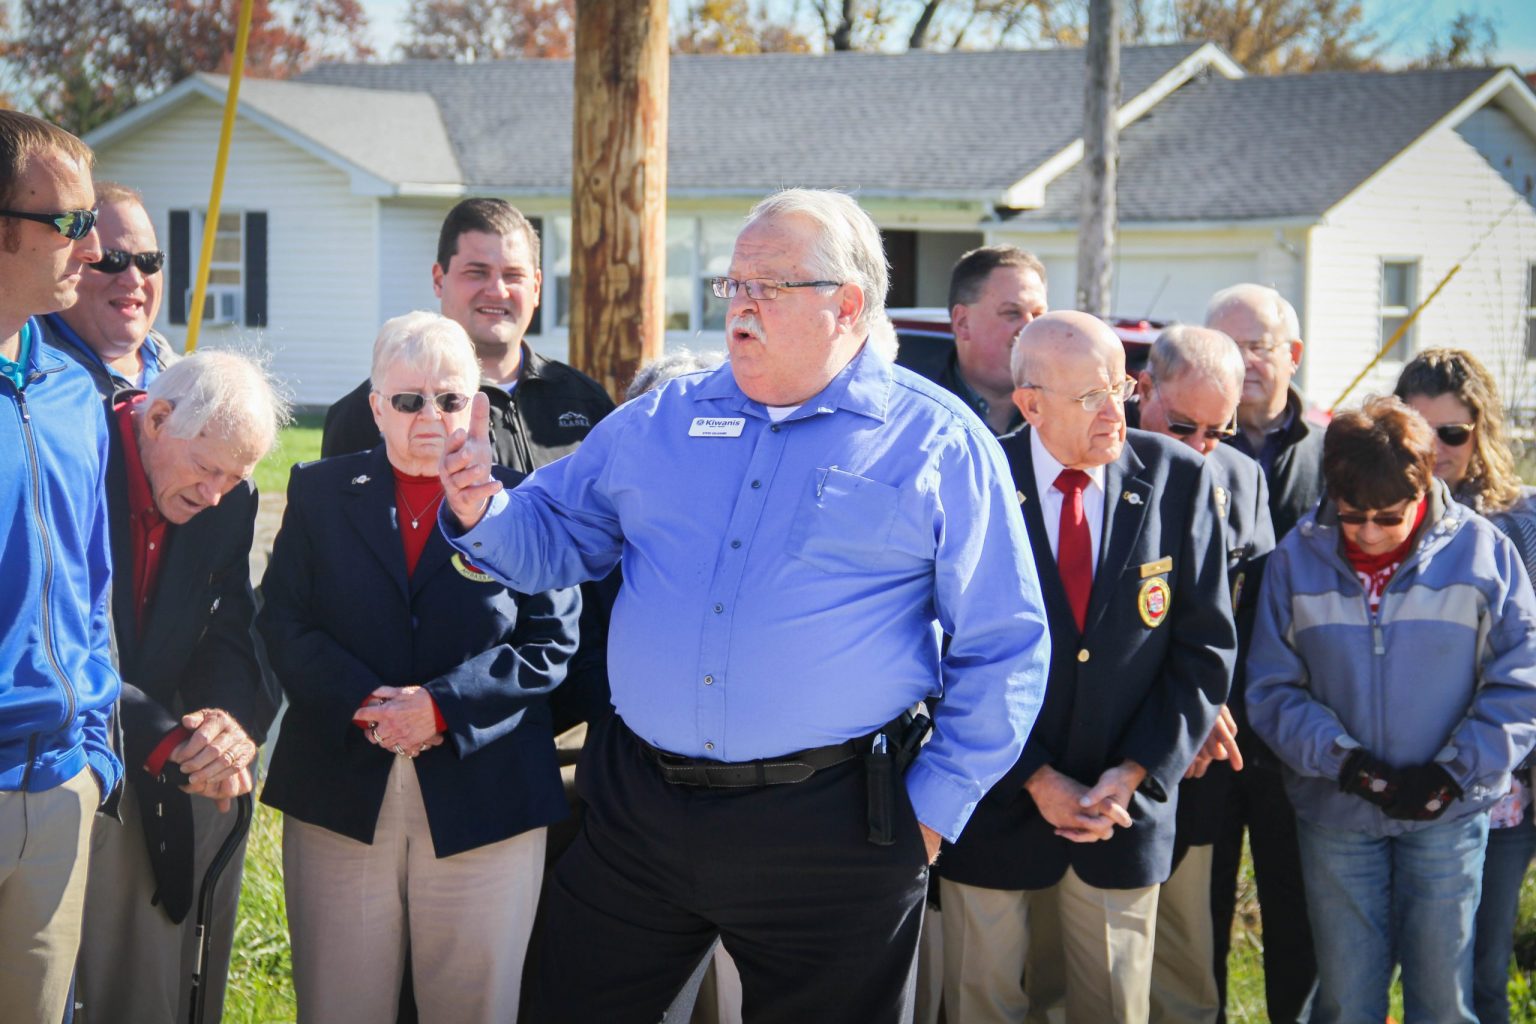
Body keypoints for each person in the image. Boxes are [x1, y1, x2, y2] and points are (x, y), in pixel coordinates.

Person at [438, 187, 1051, 1023]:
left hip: (833, 831)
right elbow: (552, 539)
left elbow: (1007, 643)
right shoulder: (659, 422)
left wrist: (934, 812)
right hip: (639, 816)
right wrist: (484, 508)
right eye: (735, 285)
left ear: (848, 306)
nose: (741, 306)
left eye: (771, 286)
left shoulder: (937, 441)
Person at [259, 311, 581, 1023]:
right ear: (376, 408)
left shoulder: (529, 499)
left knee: (474, 1004)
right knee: (342, 1003)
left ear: (480, 404)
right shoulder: (317, 492)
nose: (430, 416)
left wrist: (441, 707)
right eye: (408, 401)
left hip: (487, 793)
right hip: (344, 787)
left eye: (451, 398)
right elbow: (281, 620)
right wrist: (367, 702)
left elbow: (550, 640)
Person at [936, 311, 1237, 1024]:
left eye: (1122, 389)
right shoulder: (976, 479)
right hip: (993, 806)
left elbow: (1203, 650)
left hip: (1118, 814)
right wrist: (1035, 778)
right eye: (1089, 399)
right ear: (1031, 403)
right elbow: (941, 651)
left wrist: (1132, 774)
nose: (1115, 414)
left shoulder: (1179, 479)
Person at [1246, 395, 1536, 1024]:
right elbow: (1271, 689)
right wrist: (1346, 765)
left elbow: (1522, 682)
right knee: (1348, 1000)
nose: (1370, 533)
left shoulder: (1485, 555)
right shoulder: (1297, 560)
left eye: (1388, 516)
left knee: (1442, 1000)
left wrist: (1456, 773)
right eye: (1353, 518)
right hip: (1338, 815)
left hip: (1448, 815)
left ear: (1425, 486)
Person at [70, 351, 287, 1024]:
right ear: (158, 418)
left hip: (149, 763)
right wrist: (167, 740)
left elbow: (229, 624)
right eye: (207, 468)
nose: (216, 493)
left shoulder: (228, 499)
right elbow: (68, 636)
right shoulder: (75, 454)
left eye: (236, 476)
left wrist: (224, 723)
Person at [0, 109, 119, 1023]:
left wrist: (94, 762)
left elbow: (89, 591)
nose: (97, 247)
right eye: (72, 223)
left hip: (61, 790)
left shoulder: (77, 392)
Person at [1135, 325, 1276, 1024]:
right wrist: (1186, 705)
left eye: (1216, 431)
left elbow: (1244, 613)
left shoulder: (1241, 475)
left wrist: (1209, 703)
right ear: (1142, 393)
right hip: (1117, 738)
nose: (1197, 447)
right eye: (1182, 424)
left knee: (1188, 944)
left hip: (1204, 755)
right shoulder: (1101, 464)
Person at [1394, 348, 1536, 1024]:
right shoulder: (1378, 517)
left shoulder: (1522, 521)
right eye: (1422, 432)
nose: (1439, 448)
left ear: (1481, 429)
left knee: (1480, 967)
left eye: (1454, 432)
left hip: (1505, 781)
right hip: (1406, 777)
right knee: (1431, 968)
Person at [1204, 281, 1324, 1022]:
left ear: (1294, 356)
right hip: (1203, 732)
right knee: (1196, 924)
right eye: (1228, 347)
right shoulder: (1176, 446)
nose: (1244, 363)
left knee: (1297, 920)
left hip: (1300, 730)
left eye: (1260, 346)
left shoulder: (1334, 457)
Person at [321, 197, 615, 468]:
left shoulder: (586, 402)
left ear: (536, 287)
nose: (497, 291)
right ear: (439, 279)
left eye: (513, 275)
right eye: (477, 272)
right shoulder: (382, 409)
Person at [897, 244, 1048, 435]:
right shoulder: (913, 412)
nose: (1030, 327)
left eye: (1038, 314)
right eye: (1012, 313)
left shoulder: (1067, 412)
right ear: (962, 322)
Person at [39, 181, 173, 395]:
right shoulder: (32, 385)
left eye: (149, 260)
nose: (133, 279)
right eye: (112, 260)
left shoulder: (189, 383)